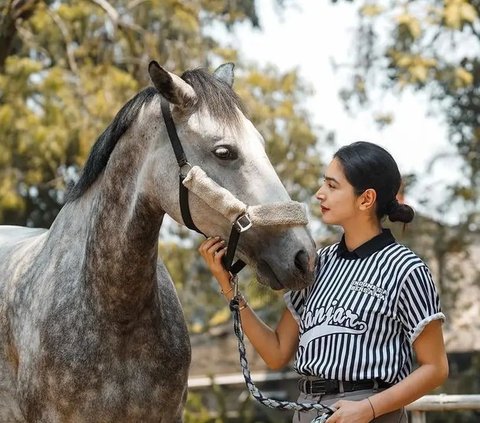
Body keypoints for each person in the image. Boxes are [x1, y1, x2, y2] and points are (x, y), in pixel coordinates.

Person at [199, 141, 448, 423]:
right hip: (307, 410)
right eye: (323, 184)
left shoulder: (406, 269)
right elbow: (277, 352)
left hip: (370, 414)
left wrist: (369, 408)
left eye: (332, 186)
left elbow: (435, 368)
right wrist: (229, 287)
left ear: (366, 199)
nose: (319, 194)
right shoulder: (318, 264)